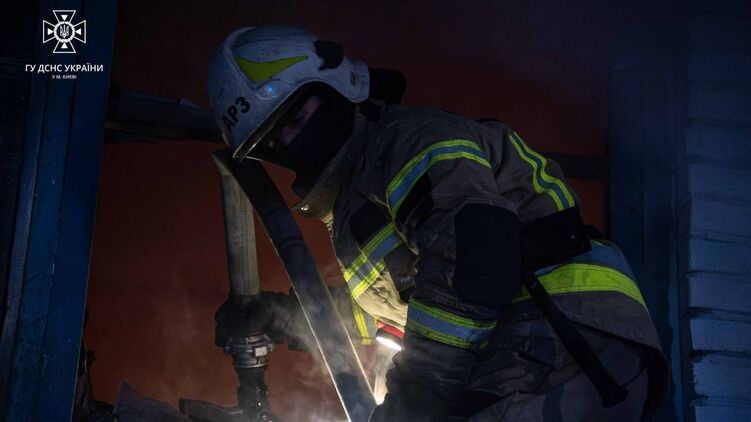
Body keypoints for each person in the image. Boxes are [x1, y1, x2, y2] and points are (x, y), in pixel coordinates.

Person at [208, 25, 668, 421]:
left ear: (333, 84)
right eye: (275, 141)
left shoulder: (408, 141)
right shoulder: (356, 197)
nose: (292, 140)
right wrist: (287, 318)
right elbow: (399, 303)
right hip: (527, 343)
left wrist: (417, 391)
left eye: (298, 116)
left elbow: (472, 258)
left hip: (562, 332)